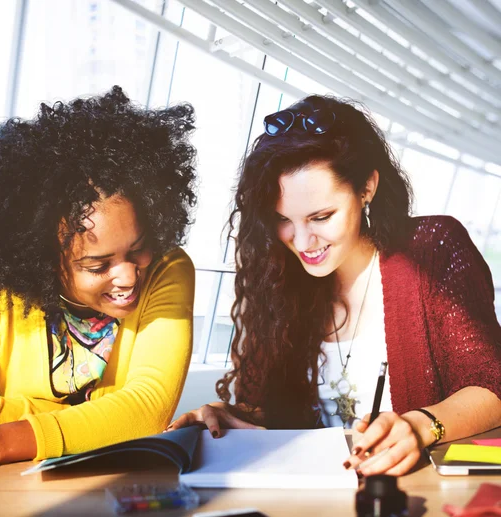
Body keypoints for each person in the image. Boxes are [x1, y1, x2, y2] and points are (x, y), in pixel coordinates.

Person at [169, 95, 501, 476]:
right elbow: (275, 414)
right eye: (283, 220)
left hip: (407, 494)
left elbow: (491, 383)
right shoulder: (276, 274)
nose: (303, 241)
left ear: (367, 188)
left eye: (321, 216)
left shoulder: (431, 249)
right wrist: (234, 419)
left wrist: (419, 426)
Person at [0, 86, 198, 468]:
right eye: (98, 266)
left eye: (137, 248)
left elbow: (146, 412)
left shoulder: (166, 269)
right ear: (43, 257)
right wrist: (99, 418)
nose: (128, 276)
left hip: (120, 483)